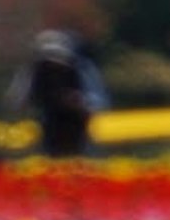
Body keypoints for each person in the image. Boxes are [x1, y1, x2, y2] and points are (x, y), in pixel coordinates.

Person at [19, 29, 105, 159]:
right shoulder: (35, 71)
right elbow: (19, 98)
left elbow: (98, 102)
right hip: (47, 126)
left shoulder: (81, 69)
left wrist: (78, 102)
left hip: (76, 128)